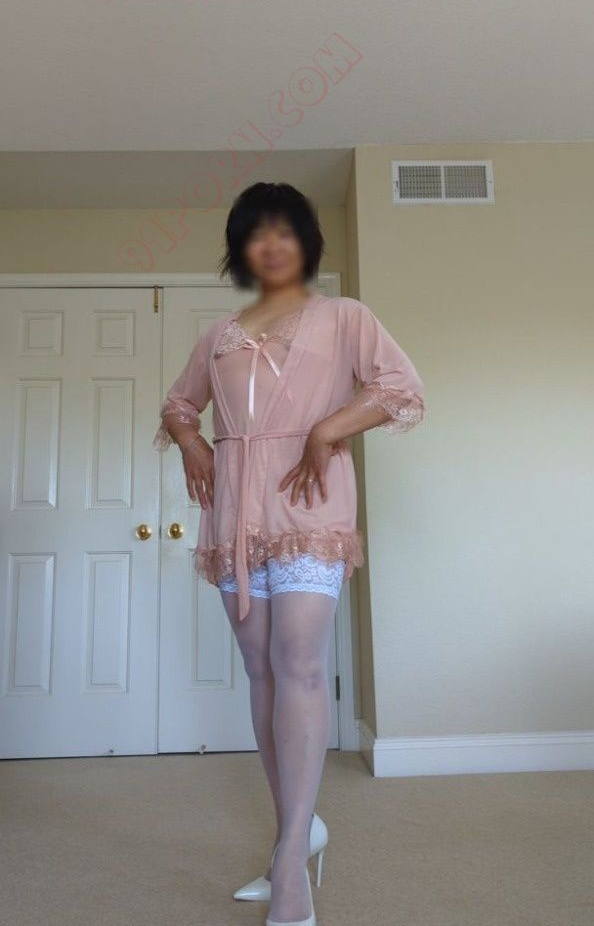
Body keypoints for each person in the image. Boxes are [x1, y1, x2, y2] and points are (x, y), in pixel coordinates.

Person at [153, 182, 425, 926]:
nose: (271, 244)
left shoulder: (345, 316)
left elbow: (400, 387)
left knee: (300, 660)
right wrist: (192, 443)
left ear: (306, 240)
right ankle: (295, 836)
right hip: (234, 512)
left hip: (309, 501)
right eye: (256, 232)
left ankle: (289, 868)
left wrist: (328, 429)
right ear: (240, 248)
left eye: (285, 230)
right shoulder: (219, 334)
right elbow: (178, 403)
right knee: (263, 670)